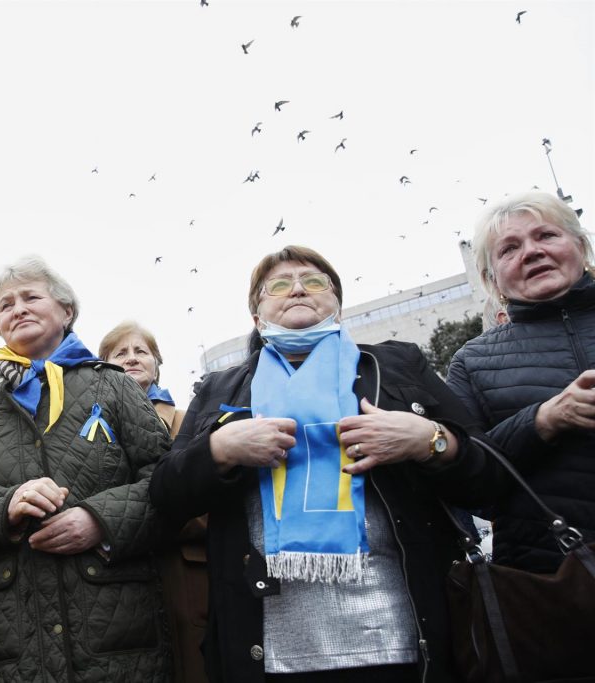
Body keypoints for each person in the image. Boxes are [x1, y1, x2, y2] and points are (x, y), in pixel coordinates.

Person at [150, 246, 499, 682]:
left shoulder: (396, 366)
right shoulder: (220, 389)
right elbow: (164, 493)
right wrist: (219, 452)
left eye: (314, 282)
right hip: (269, 649)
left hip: (404, 638)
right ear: (257, 317)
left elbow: (491, 478)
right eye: (278, 285)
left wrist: (429, 440)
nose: (297, 288)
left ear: (336, 303)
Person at [0, 256, 173, 681]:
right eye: (5, 305)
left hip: (117, 635)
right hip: (6, 642)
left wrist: (100, 520)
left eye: (30, 297)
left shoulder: (113, 385)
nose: (17, 308)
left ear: (66, 311)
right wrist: (4, 506)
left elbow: (165, 480)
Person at [447, 191, 595, 573]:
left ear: (581, 247)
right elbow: (465, 484)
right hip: (557, 585)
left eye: (546, 236)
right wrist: (543, 420)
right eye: (509, 249)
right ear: (491, 279)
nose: (531, 252)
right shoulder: (471, 363)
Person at [99, 321, 205, 683]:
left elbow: (206, 499)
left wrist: (142, 521)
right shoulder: (89, 429)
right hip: (117, 576)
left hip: (180, 572)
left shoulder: (187, 420)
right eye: (120, 353)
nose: (131, 359)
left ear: (157, 364)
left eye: (140, 351)